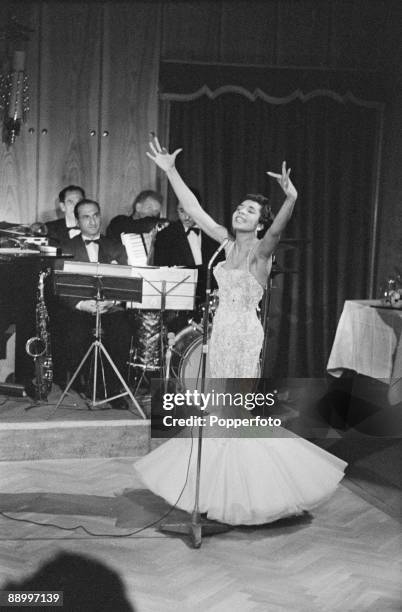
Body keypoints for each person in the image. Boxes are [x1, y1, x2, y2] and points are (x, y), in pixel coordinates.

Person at [133, 137, 347, 526]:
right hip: (219, 334)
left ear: (260, 223)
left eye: (250, 211)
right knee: (215, 412)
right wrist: (170, 171)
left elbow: (278, 232)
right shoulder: (226, 242)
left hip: (244, 336)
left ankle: (242, 494)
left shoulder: (260, 253)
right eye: (239, 207)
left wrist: (290, 199)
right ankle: (213, 492)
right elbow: (195, 210)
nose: (240, 212)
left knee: (233, 413)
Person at [53, 199, 132, 408]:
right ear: (78, 221)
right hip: (79, 309)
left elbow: (126, 281)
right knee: (75, 332)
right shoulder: (66, 247)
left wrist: (111, 301)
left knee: (122, 331)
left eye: (96, 215)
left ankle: (115, 389)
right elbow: (60, 288)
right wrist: (81, 304)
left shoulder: (116, 246)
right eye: (86, 217)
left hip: (109, 307)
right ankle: (86, 385)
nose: (93, 221)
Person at [153, 192, 223, 331]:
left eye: (190, 211)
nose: (186, 216)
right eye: (181, 210)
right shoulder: (165, 236)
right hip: (177, 307)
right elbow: (161, 272)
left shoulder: (215, 234)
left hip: (207, 304)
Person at [106, 189, 163, 262]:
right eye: (149, 208)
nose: (153, 214)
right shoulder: (120, 222)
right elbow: (139, 225)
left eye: (156, 211)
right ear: (138, 207)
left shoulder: (155, 228)